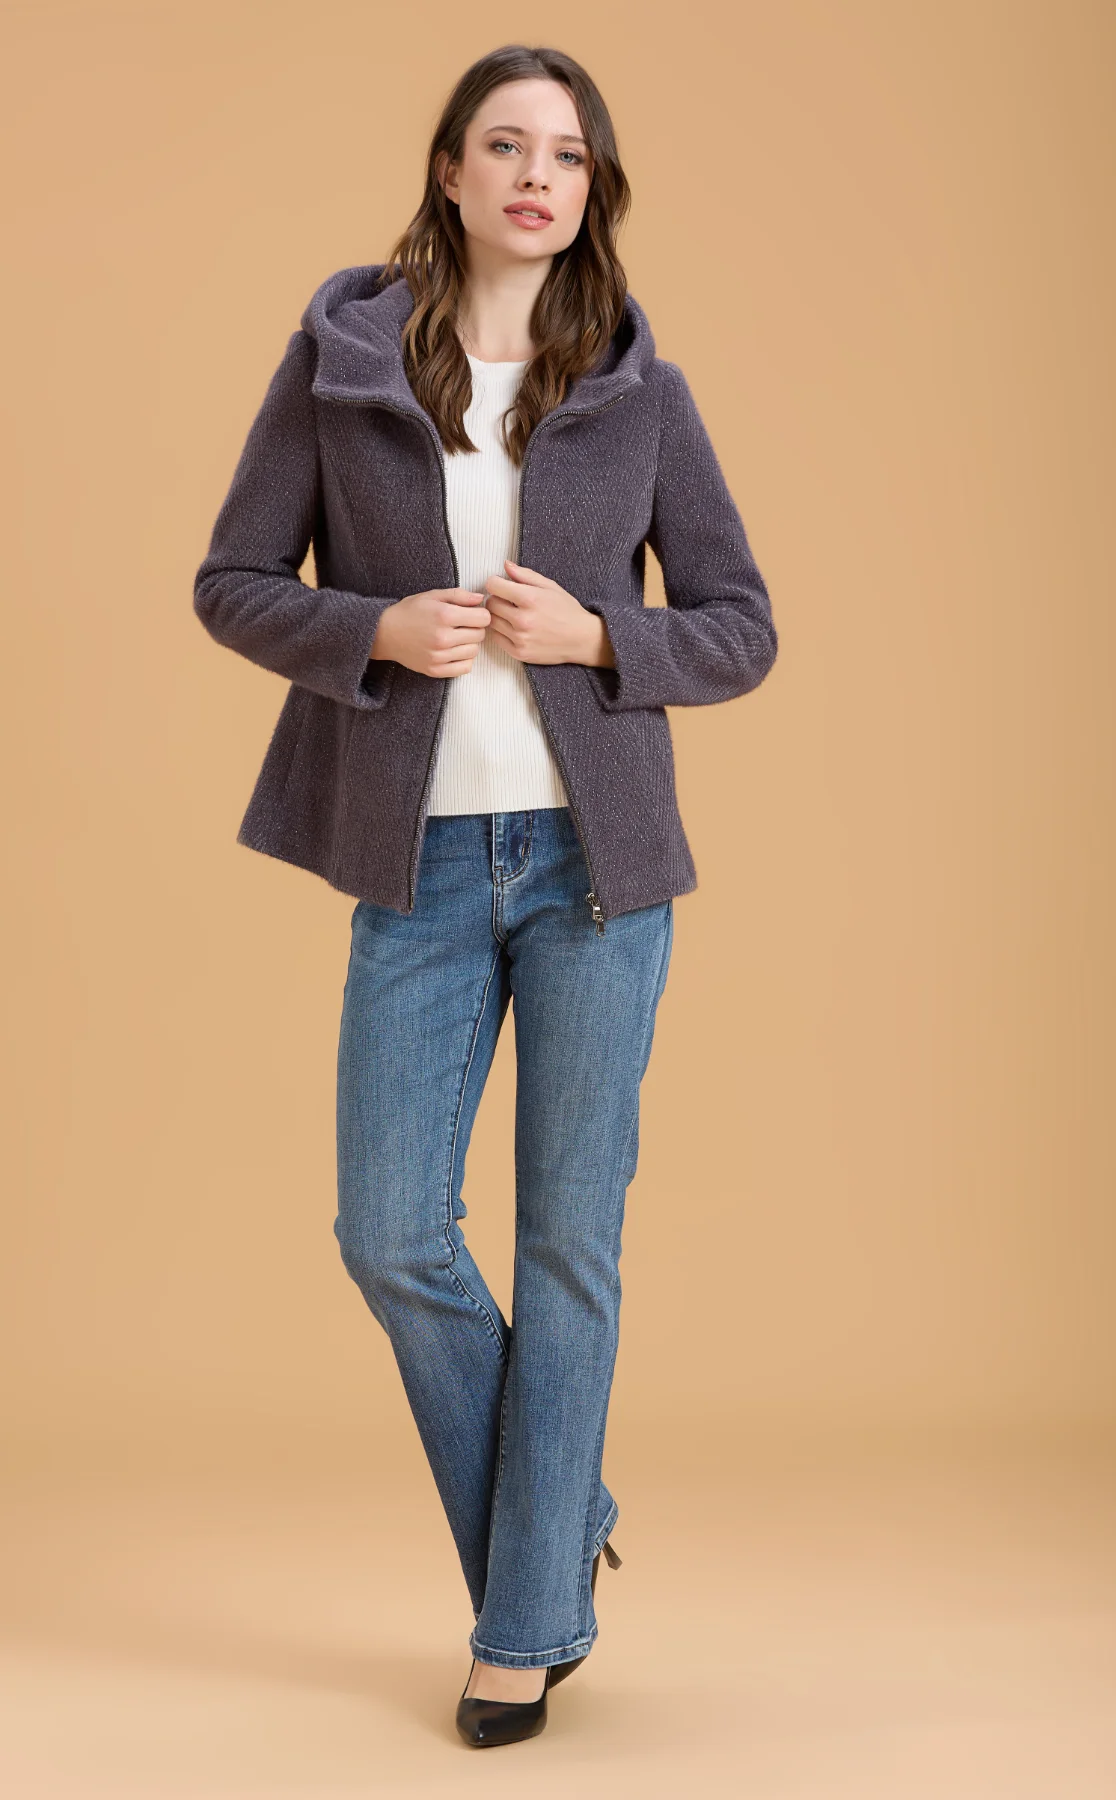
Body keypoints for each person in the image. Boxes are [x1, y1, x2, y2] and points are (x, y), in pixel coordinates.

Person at [193, 42, 777, 1749]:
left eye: (568, 155)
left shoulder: (640, 390)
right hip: (425, 860)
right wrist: (369, 628)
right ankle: (560, 1521)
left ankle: (524, 1627)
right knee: (390, 1230)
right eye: (506, 146)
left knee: (568, 1245)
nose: (538, 176)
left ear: (593, 190)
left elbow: (740, 625)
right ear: (448, 170)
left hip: (599, 872)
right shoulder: (343, 363)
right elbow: (232, 580)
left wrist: (603, 638)